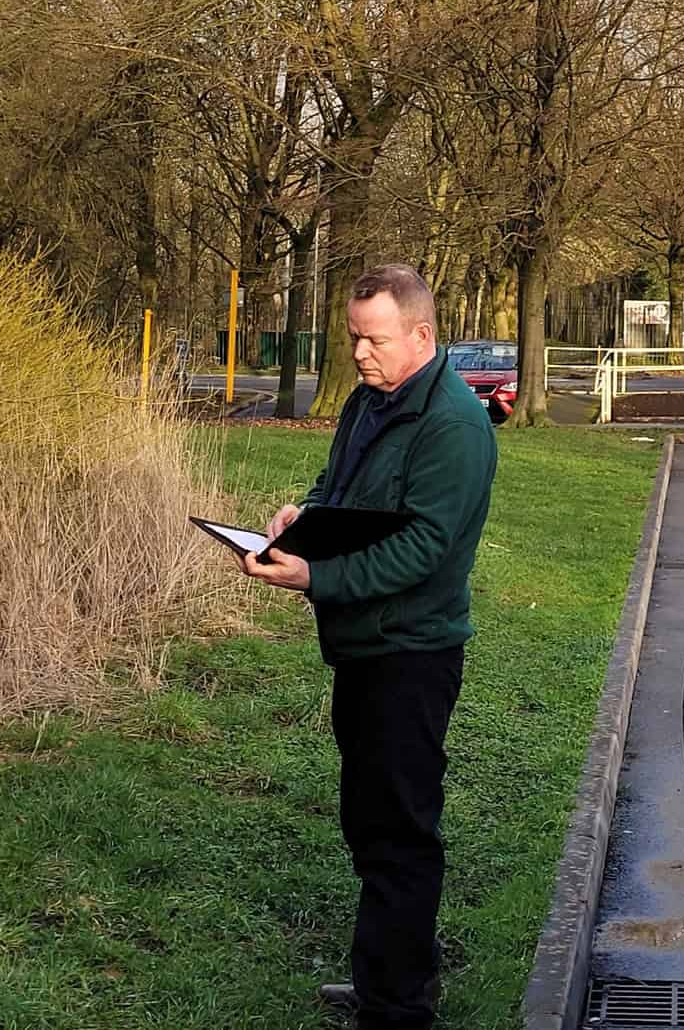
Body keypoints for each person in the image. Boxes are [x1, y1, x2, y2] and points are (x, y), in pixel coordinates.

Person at [242, 263, 497, 1029]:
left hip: (410, 656)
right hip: (362, 651)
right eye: (353, 337)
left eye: (373, 338)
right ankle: (385, 975)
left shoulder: (452, 425)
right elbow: (339, 486)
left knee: (399, 832)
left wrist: (314, 575)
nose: (358, 352)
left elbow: (421, 549)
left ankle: (398, 1007)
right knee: (371, 822)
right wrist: (304, 517)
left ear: (421, 334)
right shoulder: (369, 401)